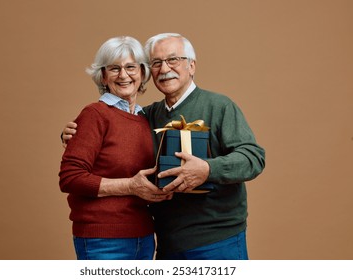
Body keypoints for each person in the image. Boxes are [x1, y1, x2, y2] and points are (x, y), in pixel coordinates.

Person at [62, 33, 266, 260]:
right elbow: (112, 132)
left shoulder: (219, 106)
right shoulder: (146, 116)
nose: (165, 68)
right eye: (156, 63)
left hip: (217, 239)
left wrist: (207, 169)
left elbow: (253, 158)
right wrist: (73, 133)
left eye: (173, 60)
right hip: (166, 240)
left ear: (192, 65)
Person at [59, 36, 172, 260]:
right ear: (103, 76)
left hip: (144, 235)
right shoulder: (94, 114)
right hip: (103, 239)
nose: (123, 75)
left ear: (142, 72)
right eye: (114, 68)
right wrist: (130, 186)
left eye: (130, 67)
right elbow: (70, 178)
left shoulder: (145, 119)